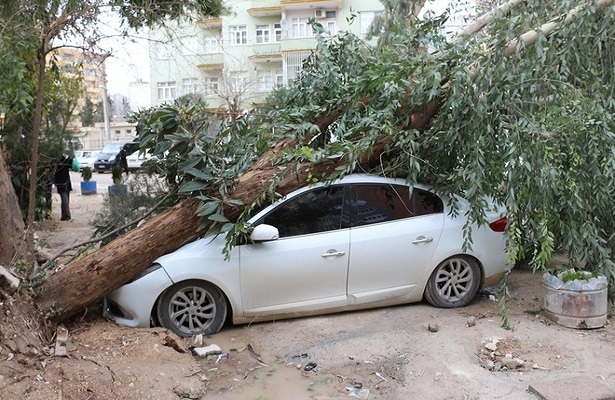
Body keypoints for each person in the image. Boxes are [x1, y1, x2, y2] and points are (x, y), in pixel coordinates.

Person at [54, 153, 73, 221]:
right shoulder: (65, 163)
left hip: (62, 183)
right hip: (64, 183)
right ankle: (66, 215)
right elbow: (71, 163)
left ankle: (64, 215)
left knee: (65, 199)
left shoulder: (57, 163)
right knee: (65, 199)